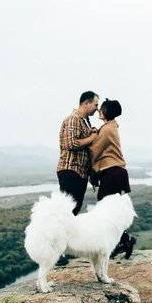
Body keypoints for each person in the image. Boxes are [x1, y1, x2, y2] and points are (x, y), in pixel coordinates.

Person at [89, 98, 136, 259]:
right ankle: (123, 241)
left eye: (101, 108)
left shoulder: (107, 129)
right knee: (110, 210)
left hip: (112, 172)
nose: (98, 111)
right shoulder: (109, 127)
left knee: (107, 210)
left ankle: (126, 240)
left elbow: (94, 150)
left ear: (106, 111)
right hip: (115, 172)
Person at [55, 91, 99, 265]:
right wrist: (93, 137)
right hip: (70, 170)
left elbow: (85, 141)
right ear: (86, 103)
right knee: (66, 213)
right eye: (95, 104)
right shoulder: (73, 119)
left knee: (73, 211)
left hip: (80, 172)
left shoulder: (85, 122)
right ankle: (57, 252)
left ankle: (66, 249)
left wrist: (92, 133)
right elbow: (71, 143)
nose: (97, 108)